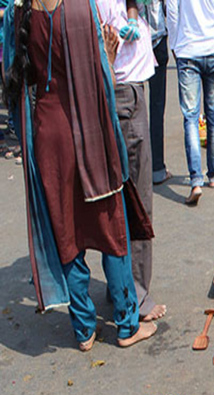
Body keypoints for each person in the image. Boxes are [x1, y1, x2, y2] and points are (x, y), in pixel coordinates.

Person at [3, 0, 156, 350]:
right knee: (112, 227)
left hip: (47, 134)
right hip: (88, 130)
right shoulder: (80, 7)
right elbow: (101, 75)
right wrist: (111, 54)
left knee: (65, 232)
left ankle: (84, 329)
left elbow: (16, 87)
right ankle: (127, 325)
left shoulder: (19, 12)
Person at [97, 0, 166, 323]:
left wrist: (133, 17)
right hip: (122, 88)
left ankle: (123, 285)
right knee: (134, 200)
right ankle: (135, 293)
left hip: (132, 84)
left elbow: (131, 3)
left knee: (127, 196)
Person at [166, 0, 214, 205]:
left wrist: (174, 44)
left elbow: (172, 12)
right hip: (212, 49)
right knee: (213, 114)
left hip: (187, 51)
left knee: (190, 117)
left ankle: (196, 181)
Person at [139, 0, 172, 185]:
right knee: (157, 106)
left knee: (137, 108)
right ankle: (157, 168)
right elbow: (170, 8)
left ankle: (140, 168)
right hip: (156, 39)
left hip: (134, 43)